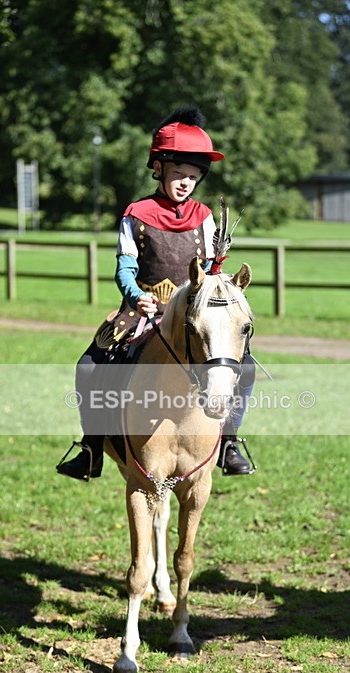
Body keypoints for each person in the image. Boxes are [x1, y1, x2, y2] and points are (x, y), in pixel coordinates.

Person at [56, 106, 255, 481]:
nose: (185, 183)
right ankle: (91, 448)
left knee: (243, 367)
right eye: (178, 174)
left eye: (193, 177)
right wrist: (135, 296)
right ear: (159, 169)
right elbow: (125, 268)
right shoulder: (137, 213)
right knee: (89, 367)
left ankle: (229, 442)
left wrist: (225, 286)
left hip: (194, 313)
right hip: (142, 309)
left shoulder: (204, 215)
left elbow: (212, 269)